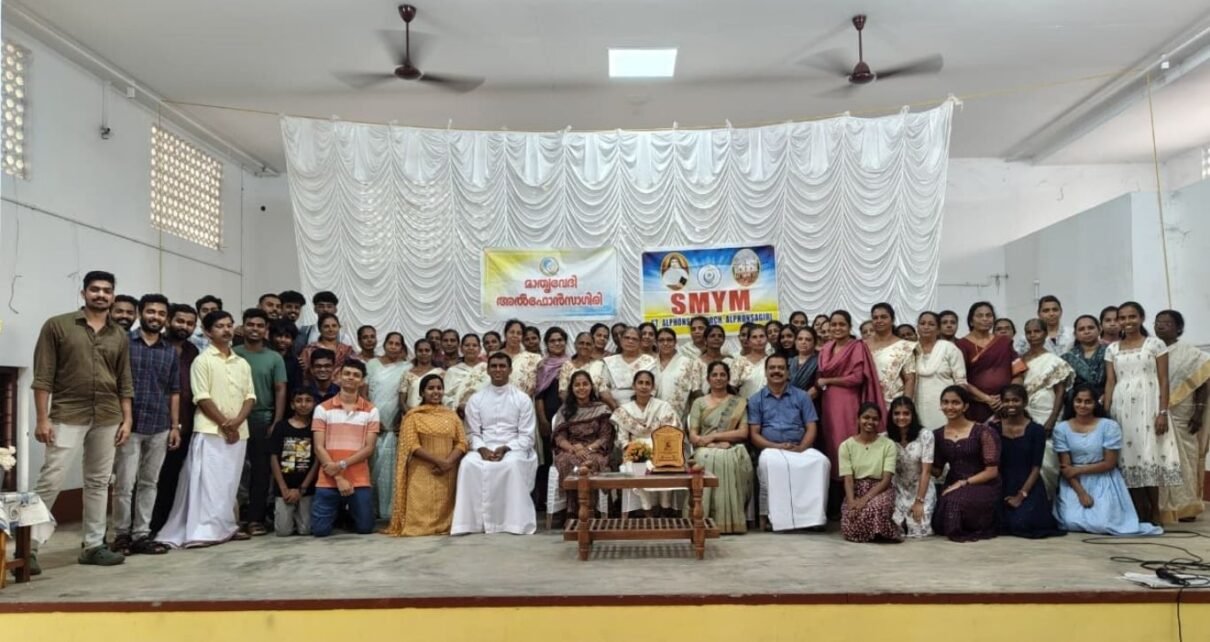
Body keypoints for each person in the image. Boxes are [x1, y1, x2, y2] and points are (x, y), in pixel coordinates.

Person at [30, 270, 133, 568]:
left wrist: (127, 419)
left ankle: (93, 545)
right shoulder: (58, 326)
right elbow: (43, 376)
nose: (101, 295)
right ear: (83, 293)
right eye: (95, 289)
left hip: (108, 415)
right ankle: (28, 549)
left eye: (106, 291)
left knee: (99, 482)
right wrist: (42, 419)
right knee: (51, 479)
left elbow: (124, 380)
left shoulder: (119, 334)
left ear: (113, 296)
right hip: (67, 413)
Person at [157, 309, 256, 548]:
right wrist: (225, 424)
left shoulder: (242, 363)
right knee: (207, 483)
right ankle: (203, 530)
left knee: (228, 484)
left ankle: (225, 526)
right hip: (211, 430)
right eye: (220, 326)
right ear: (208, 332)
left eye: (229, 325)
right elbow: (201, 397)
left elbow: (250, 396)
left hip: (239, 432)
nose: (226, 330)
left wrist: (236, 423)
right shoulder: (202, 360)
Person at [110, 293, 180, 556]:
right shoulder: (124, 343)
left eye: (161, 313)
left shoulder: (169, 351)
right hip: (128, 426)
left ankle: (141, 534)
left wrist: (175, 426)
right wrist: (122, 419)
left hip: (160, 425)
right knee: (124, 484)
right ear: (140, 313)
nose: (156, 317)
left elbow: (174, 391)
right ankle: (121, 535)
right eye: (151, 312)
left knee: (150, 483)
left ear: (166, 319)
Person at [1104, 301, 1180, 524]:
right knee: (1127, 458)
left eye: (1132, 316)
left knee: (1148, 455)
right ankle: (1138, 512)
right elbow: (1110, 382)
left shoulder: (1155, 344)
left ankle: (1155, 511)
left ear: (1142, 318)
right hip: (1122, 408)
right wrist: (1106, 414)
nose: (1127, 321)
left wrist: (1162, 411)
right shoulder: (1112, 349)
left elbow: (1164, 380)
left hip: (1149, 407)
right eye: (1123, 318)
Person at [1053, 385, 1162, 535]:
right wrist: (1082, 494)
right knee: (1070, 522)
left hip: (1103, 479)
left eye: (1088, 402)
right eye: (1078, 401)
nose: (1082, 405)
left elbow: (1109, 463)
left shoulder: (1109, 426)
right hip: (1075, 482)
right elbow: (1066, 469)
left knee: (1102, 524)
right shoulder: (1062, 429)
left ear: (1095, 403)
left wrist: (1078, 469)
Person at [452, 353, 539, 535]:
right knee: (467, 464)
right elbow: (472, 433)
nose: (498, 370)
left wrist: (506, 448)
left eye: (502, 366)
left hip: (515, 447)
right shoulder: (477, 399)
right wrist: (482, 448)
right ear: (488, 370)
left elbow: (527, 436)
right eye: (494, 366)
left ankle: (513, 523)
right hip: (484, 445)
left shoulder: (522, 399)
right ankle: (470, 524)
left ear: (510, 370)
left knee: (511, 464)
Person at [750, 354, 829, 531]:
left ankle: (813, 519)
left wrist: (802, 448)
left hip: (799, 447)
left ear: (788, 372)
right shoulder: (756, 399)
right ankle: (778, 519)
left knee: (821, 462)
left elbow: (811, 427)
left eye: (781, 368)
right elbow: (754, 434)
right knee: (770, 463)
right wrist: (776, 446)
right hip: (771, 449)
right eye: (772, 368)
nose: (776, 371)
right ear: (765, 372)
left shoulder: (802, 397)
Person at [384, 374, 468, 536]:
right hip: (422, 470)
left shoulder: (452, 416)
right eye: (430, 388)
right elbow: (412, 445)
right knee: (420, 510)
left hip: (448, 471)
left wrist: (448, 462)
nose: (436, 392)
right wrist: (439, 462)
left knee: (446, 505)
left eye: (439, 388)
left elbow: (462, 442)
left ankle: (444, 525)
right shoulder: (413, 416)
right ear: (422, 392)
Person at [233, 308, 288, 536]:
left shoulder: (274, 358)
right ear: (243, 326)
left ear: (266, 330)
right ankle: (231, 519)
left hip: (262, 419)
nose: (254, 329)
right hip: (232, 420)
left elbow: (280, 389)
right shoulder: (232, 354)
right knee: (232, 471)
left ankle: (255, 519)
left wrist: (277, 421)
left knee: (261, 471)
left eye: (259, 326)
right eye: (250, 324)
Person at [309, 360, 379, 536]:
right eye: (347, 373)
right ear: (338, 377)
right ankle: (340, 509)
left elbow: (369, 448)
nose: (350, 378)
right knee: (320, 531)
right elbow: (319, 447)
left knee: (365, 528)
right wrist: (339, 478)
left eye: (356, 375)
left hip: (358, 479)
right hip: (329, 478)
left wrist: (341, 465)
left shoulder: (371, 411)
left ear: (362, 381)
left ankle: (346, 511)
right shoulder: (322, 409)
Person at [1154, 310, 1210, 523]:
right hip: (1158, 412)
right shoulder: (1151, 350)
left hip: (1184, 413)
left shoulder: (1191, 353)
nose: (1160, 326)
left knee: (1186, 458)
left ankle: (1187, 506)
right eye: (1157, 322)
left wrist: (1199, 412)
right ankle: (1164, 506)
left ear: (1178, 328)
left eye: (1167, 323)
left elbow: (1203, 383)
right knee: (1162, 458)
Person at [150, 304, 200, 537]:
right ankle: (139, 529)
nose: (185, 327)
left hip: (186, 424)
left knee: (171, 478)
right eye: (180, 321)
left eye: (190, 323)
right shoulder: (155, 345)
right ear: (168, 321)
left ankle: (161, 527)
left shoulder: (192, 351)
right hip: (155, 422)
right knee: (148, 478)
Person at [818, 310, 885, 486]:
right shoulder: (826, 347)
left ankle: (854, 485)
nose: (837, 328)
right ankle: (837, 488)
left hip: (848, 400)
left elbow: (857, 378)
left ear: (849, 327)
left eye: (842, 324)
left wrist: (829, 381)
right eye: (834, 324)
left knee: (846, 440)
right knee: (832, 442)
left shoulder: (857, 346)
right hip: (829, 401)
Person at [686, 361, 753, 534]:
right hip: (705, 448)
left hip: (731, 447)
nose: (718, 378)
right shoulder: (699, 402)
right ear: (708, 379)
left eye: (722, 375)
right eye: (714, 375)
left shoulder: (738, 402)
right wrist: (709, 443)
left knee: (728, 458)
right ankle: (702, 519)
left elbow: (743, 433)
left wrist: (716, 437)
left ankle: (729, 522)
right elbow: (693, 436)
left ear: (728, 378)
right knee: (705, 457)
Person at [993, 384, 1064, 538]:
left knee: (1022, 523)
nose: (1011, 404)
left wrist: (1021, 496)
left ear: (1024, 402)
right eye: (1007, 401)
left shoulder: (1036, 430)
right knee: (997, 523)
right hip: (1002, 484)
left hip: (1029, 484)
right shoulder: (994, 429)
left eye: (1015, 400)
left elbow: (1036, 467)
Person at [931, 386, 1001, 542]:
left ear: (965, 406)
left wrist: (963, 483)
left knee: (954, 503)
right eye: (945, 402)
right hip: (952, 485)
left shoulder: (983, 432)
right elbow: (937, 471)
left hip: (983, 484)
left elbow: (992, 471)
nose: (950, 407)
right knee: (944, 511)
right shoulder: (938, 435)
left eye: (955, 402)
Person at [611, 370, 683, 516]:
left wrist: (657, 449)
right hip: (635, 451)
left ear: (652, 387)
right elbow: (622, 438)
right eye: (640, 383)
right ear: (634, 386)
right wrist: (633, 450)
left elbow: (671, 432)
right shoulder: (624, 411)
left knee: (664, 466)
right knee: (639, 466)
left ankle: (665, 507)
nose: (644, 386)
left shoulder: (663, 407)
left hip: (661, 450)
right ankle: (647, 509)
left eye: (647, 383)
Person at [1016, 318, 1073, 496]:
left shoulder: (1054, 361)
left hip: (1048, 412)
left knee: (1048, 458)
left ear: (1045, 333)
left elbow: (1060, 392)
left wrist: (1052, 419)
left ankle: (1050, 500)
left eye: (1037, 331)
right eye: (1029, 332)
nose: (1033, 335)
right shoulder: (1020, 361)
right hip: (1026, 413)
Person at [550, 370, 614, 524]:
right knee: (567, 461)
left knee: (590, 462)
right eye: (577, 385)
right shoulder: (565, 410)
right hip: (570, 449)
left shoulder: (601, 409)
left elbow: (605, 436)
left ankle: (591, 509)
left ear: (591, 387)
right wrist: (573, 448)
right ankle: (572, 510)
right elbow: (559, 437)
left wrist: (588, 449)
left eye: (585, 384)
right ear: (572, 388)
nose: (581, 388)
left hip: (594, 449)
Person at [839, 403, 901, 542]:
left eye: (875, 419)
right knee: (851, 517)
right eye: (866, 417)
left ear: (879, 421)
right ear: (858, 419)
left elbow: (886, 480)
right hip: (856, 489)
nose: (870, 422)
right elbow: (848, 479)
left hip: (880, 489)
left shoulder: (888, 445)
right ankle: (872, 532)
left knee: (875, 508)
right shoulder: (846, 446)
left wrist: (864, 499)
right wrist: (851, 502)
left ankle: (882, 533)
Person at [366, 332, 411, 519]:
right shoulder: (371, 364)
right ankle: (370, 510)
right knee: (370, 463)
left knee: (390, 467)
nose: (393, 346)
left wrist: (401, 418)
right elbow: (364, 392)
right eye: (390, 343)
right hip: (372, 420)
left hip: (393, 424)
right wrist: (372, 418)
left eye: (397, 344)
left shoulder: (407, 367)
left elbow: (405, 396)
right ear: (384, 345)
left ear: (402, 347)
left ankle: (388, 510)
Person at [957, 301, 1016, 423]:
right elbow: (960, 379)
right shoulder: (961, 345)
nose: (985, 319)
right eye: (980, 316)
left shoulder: (1003, 342)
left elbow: (1019, 372)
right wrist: (987, 399)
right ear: (971, 321)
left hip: (1006, 404)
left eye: (988, 315)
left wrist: (1008, 396)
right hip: (976, 405)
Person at [270, 389, 318, 536]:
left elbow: (317, 460)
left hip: (306, 488)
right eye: (298, 400)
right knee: (283, 532)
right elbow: (273, 457)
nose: (303, 404)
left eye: (308, 400)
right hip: (284, 487)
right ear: (292, 405)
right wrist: (283, 488)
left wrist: (302, 489)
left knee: (306, 530)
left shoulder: (316, 428)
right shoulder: (281, 427)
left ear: (314, 404)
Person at [887, 397, 935, 538]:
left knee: (918, 527)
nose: (901, 417)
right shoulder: (886, 437)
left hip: (921, 488)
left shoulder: (925, 435)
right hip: (898, 488)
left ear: (913, 415)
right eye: (897, 413)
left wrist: (919, 501)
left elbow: (926, 471)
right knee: (894, 526)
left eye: (906, 413)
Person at [534, 327, 571, 508]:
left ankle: (568, 500)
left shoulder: (571, 364)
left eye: (560, 340)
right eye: (552, 341)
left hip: (569, 417)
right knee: (549, 458)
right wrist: (542, 420)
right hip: (548, 416)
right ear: (547, 344)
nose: (557, 343)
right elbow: (539, 395)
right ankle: (550, 502)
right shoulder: (542, 366)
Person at [913, 312, 966, 431]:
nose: (926, 327)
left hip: (946, 406)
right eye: (922, 323)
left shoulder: (949, 348)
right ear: (917, 327)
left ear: (938, 329)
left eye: (931, 324)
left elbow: (961, 382)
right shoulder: (911, 350)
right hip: (918, 404)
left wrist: (956, 407)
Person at [866, 303, 916, 404]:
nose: (879, 320)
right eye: (875, 318)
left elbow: (909, 379)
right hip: (867, 400)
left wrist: (905, 405)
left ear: (892, 320)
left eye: (883, 317)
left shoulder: (904, 346)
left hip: (894, 403)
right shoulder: (863, 345)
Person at [653, 327, 706, 419]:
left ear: (675, 342)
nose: (665, 343)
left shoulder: (689, 363)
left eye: (669, 340)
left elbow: (696, 391)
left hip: (679, 416)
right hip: (653, 415)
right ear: (656, 343)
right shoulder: (650, 364)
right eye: (661, 340)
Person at [1062, 315, 1107, 418]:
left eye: (1091, 328)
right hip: (1076, 406)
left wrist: (1106, 397)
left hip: (1104, 401)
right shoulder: (1067, 357)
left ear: (1099, 329)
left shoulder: (1110, 352)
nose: (1087, 332)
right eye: (1081, 329)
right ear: (1075, 334)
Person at [601, 326, 658, 407]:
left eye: (634, 339)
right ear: (621, 340)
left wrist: (638, 408)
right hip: (613, 406)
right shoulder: (610, 361)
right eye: (627, 338)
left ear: (640, 342)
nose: (630, 341)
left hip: (643, 406)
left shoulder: (649, 361)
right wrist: (615, 407)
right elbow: (602, 387)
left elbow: (654, 388)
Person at [298, 313, 354, 381]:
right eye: (326, 326)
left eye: (334, 326)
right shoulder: (309, 350)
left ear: (339, 327)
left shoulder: (347, 350)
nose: (331, 329)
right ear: (320, 329)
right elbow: (303, 374)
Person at [558, 332, 608, 405]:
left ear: (593, 346)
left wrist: (616, 408)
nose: (584, 346)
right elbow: (563, 392)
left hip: (595, 406)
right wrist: (575, 408)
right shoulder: (567, 366)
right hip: (571, 407)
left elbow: (604, 392)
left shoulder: (599, 365)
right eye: (581, 343)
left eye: (588, 344)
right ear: (575, 345)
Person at [399, 339, 444, 413]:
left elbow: (443, 398)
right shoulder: (408, 374)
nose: (424, 353)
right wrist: (411, 415)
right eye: (420, 351)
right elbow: (402, 401)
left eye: (427, 350)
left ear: (432, 353)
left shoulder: (440, 373)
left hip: (435, 414)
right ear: (415, 353)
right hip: (411, 414)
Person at [501, 319, 543, 395]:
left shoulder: (534, 358)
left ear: (522, 337)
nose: (515, 336)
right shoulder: (494, 356)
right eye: (512, 332)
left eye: (519, 333)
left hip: (524, 401)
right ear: (505, 334)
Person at [443, 333, 483, 409]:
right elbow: (444, 396)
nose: (471, 348)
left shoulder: (486, 369)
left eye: (474, 345)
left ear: (480, 349)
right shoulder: (452, 371)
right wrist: (456, 405)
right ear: (461, 349)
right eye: (467, 345)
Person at [731, 325, 770, 399]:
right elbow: (732, 387)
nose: (759, 340)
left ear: (767, 339)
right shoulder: (739, 361)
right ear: (748, 341)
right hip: (745, 403)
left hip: (769, 403)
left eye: (762, 336)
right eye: (754, 337)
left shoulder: (772, 361)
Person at [269, 320, 305, 396]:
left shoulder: (295, 362)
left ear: (293, 340)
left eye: (287, 337)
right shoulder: (266, 358)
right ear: (272, 337)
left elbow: (297, 386)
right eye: (279, 336)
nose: (283, 340)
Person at [787, 327, 819, 401]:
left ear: (814, 343)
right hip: (788, 402)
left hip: (811, 403)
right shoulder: (788, 362)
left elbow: (818, 387)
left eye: (808, 340)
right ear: (795, 342)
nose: (803, 342)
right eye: (800, 339)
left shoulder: (819, 362)